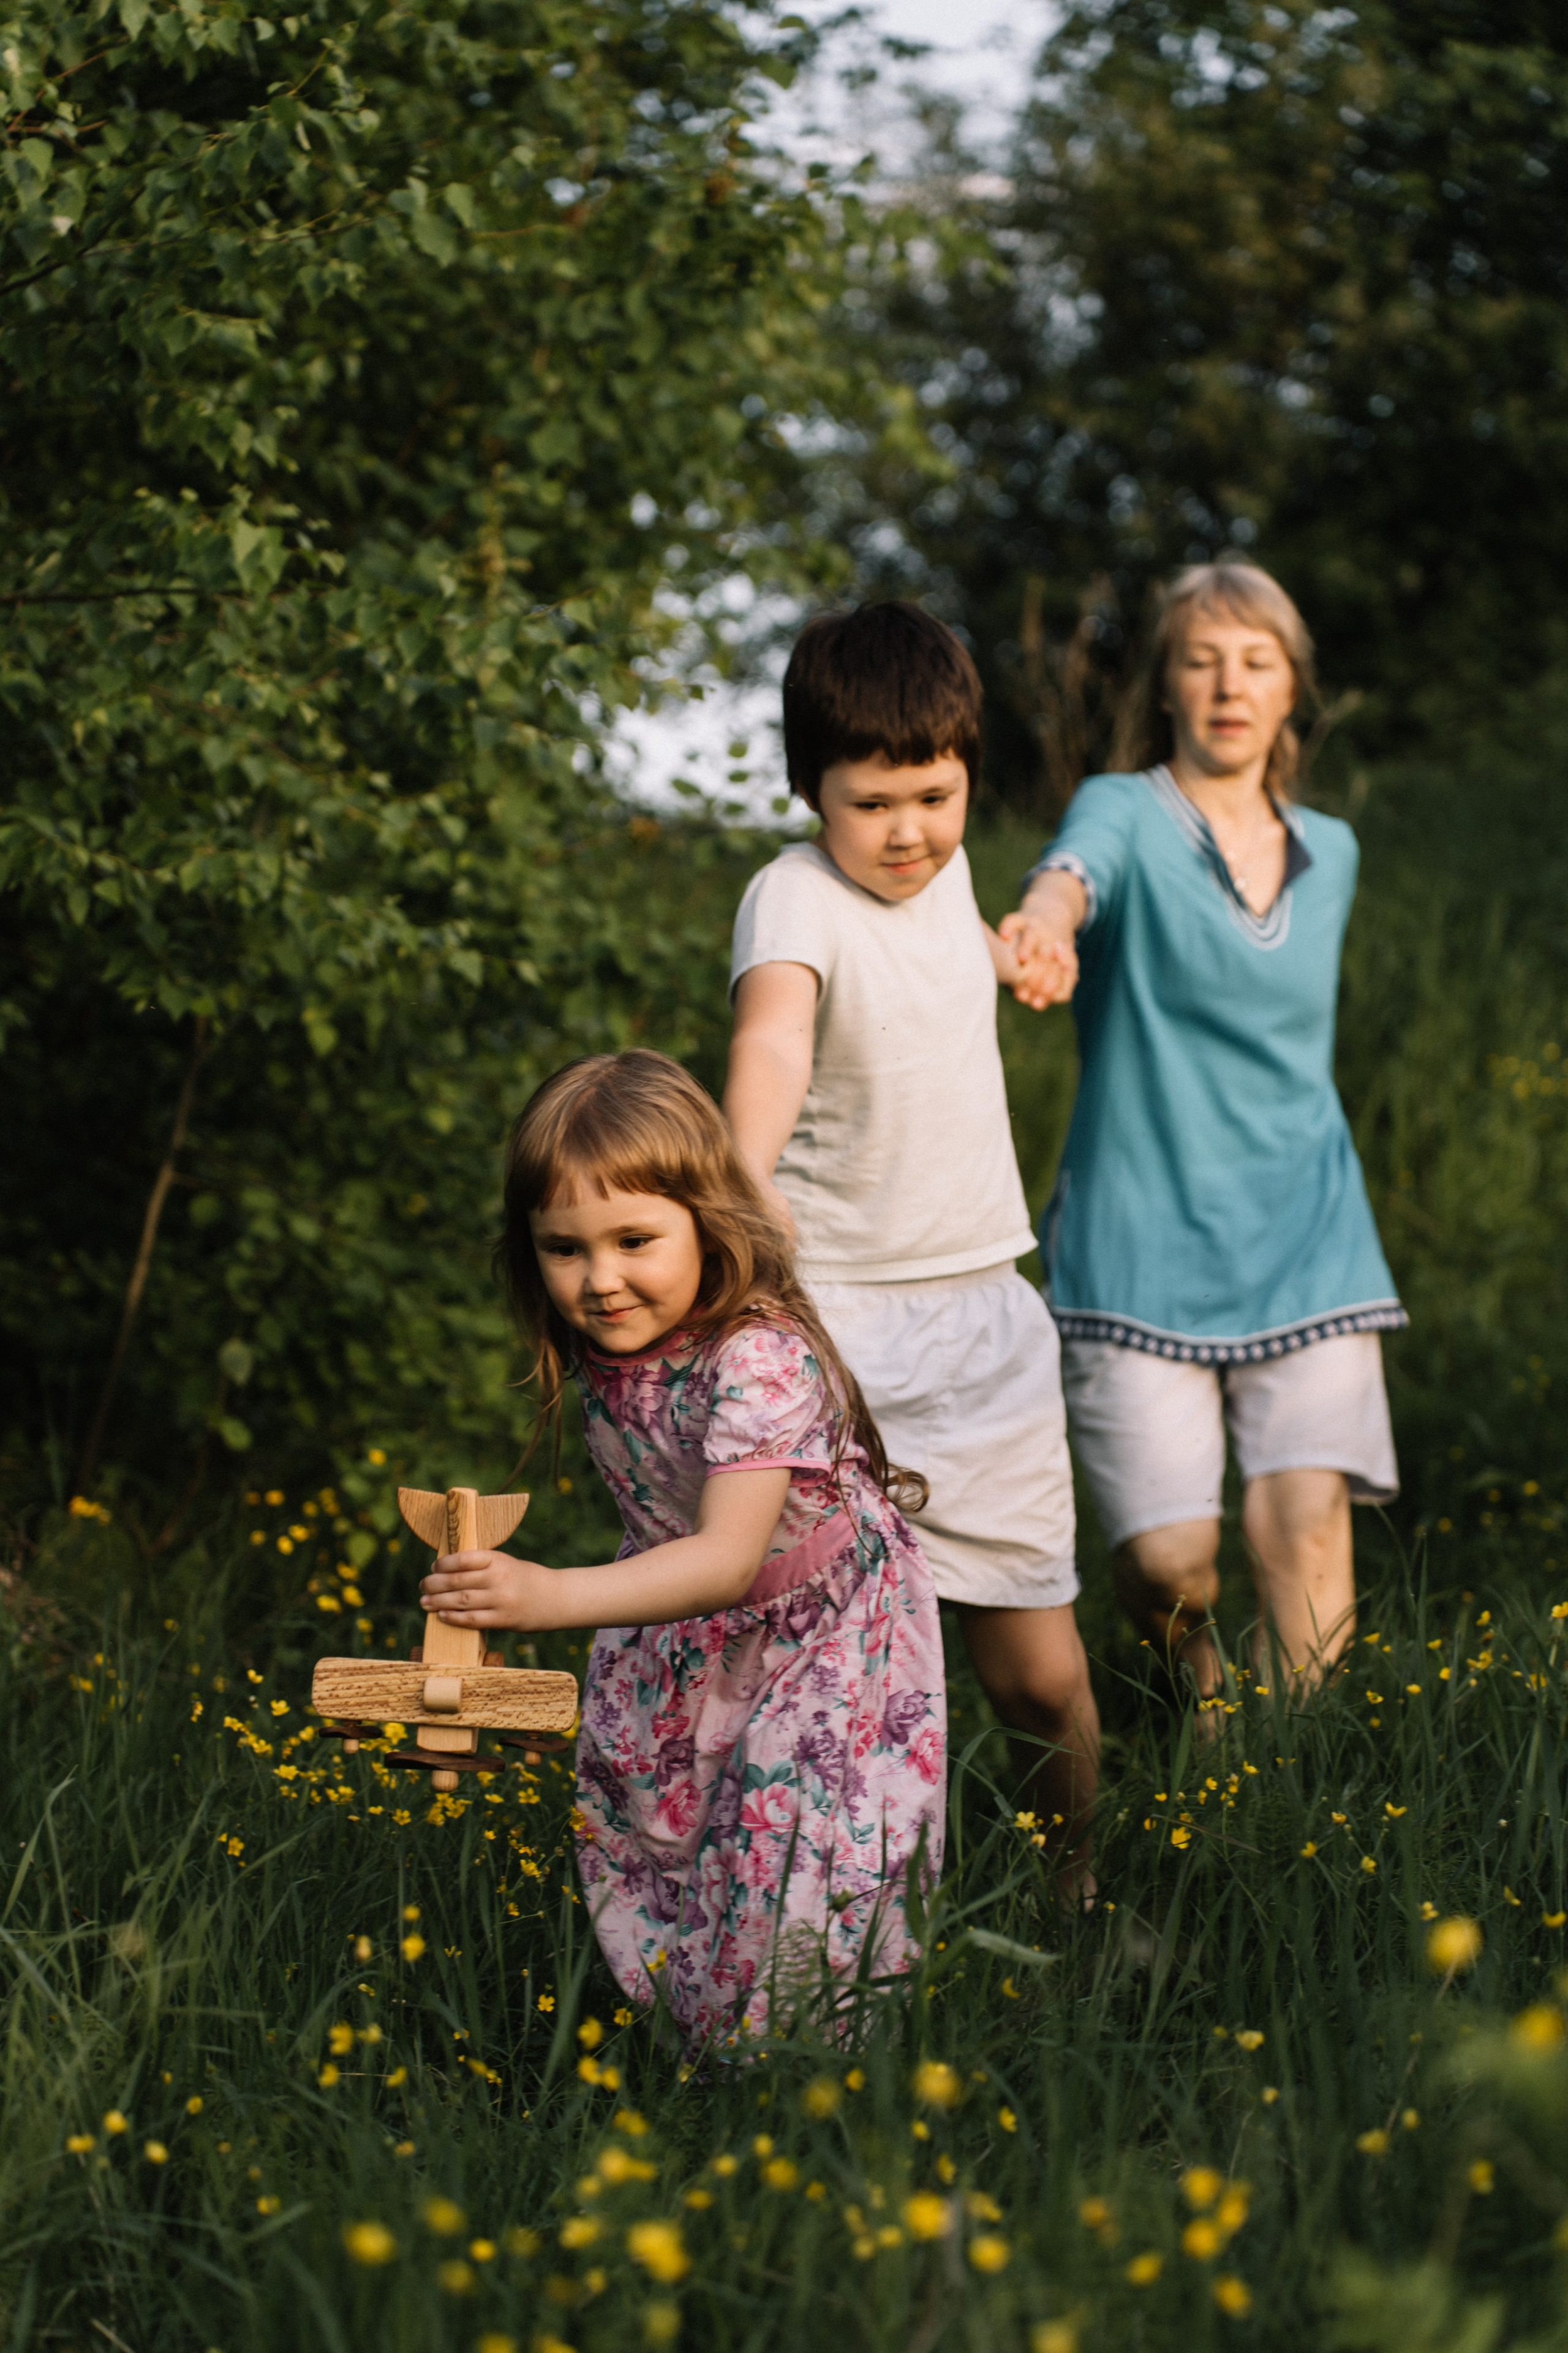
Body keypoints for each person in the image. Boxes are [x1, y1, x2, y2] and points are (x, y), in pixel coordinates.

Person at [419, 1048, 945, 2046]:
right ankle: (700, 2049)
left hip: (815, 1629)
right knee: (665, 1837)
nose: (601, 1278)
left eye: (634, 1239)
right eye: (564, 1248)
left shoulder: (757, 1355)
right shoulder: (609, 1343)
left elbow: (727, 1560)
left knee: (795, 1846)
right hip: (683, 1626)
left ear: (707, 1219)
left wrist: (541, 1595)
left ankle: (810, 2064)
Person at [723, 599, 1099, 1883]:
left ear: (964, 777)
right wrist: (738, 1179)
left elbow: (934, 971)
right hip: (841, 1335)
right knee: (841, 1687)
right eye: (870, 803)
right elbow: (775, 1036)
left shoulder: (940, 875)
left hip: (985, 1323)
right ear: (808, 790)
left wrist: (1018, 947)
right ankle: (843, 1941)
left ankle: (1078, 1893)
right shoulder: (789, 897)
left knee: (1042, 1681)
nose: (906, 833)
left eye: (933, 797)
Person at [1003, 560, 1404, 1705]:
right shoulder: (1124, 808)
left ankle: (1277, 1798)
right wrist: (1041, 924)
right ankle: (1199, 1684)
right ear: (1168, 682)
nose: (1230, 684)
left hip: (1307, 1225)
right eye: (1202, 657)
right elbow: (1071, 876)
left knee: (1305, 1530)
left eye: (1257, 660)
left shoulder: (1334, 852)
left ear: (1292, 688)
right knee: (1169, 1565)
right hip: (1139, 1230)